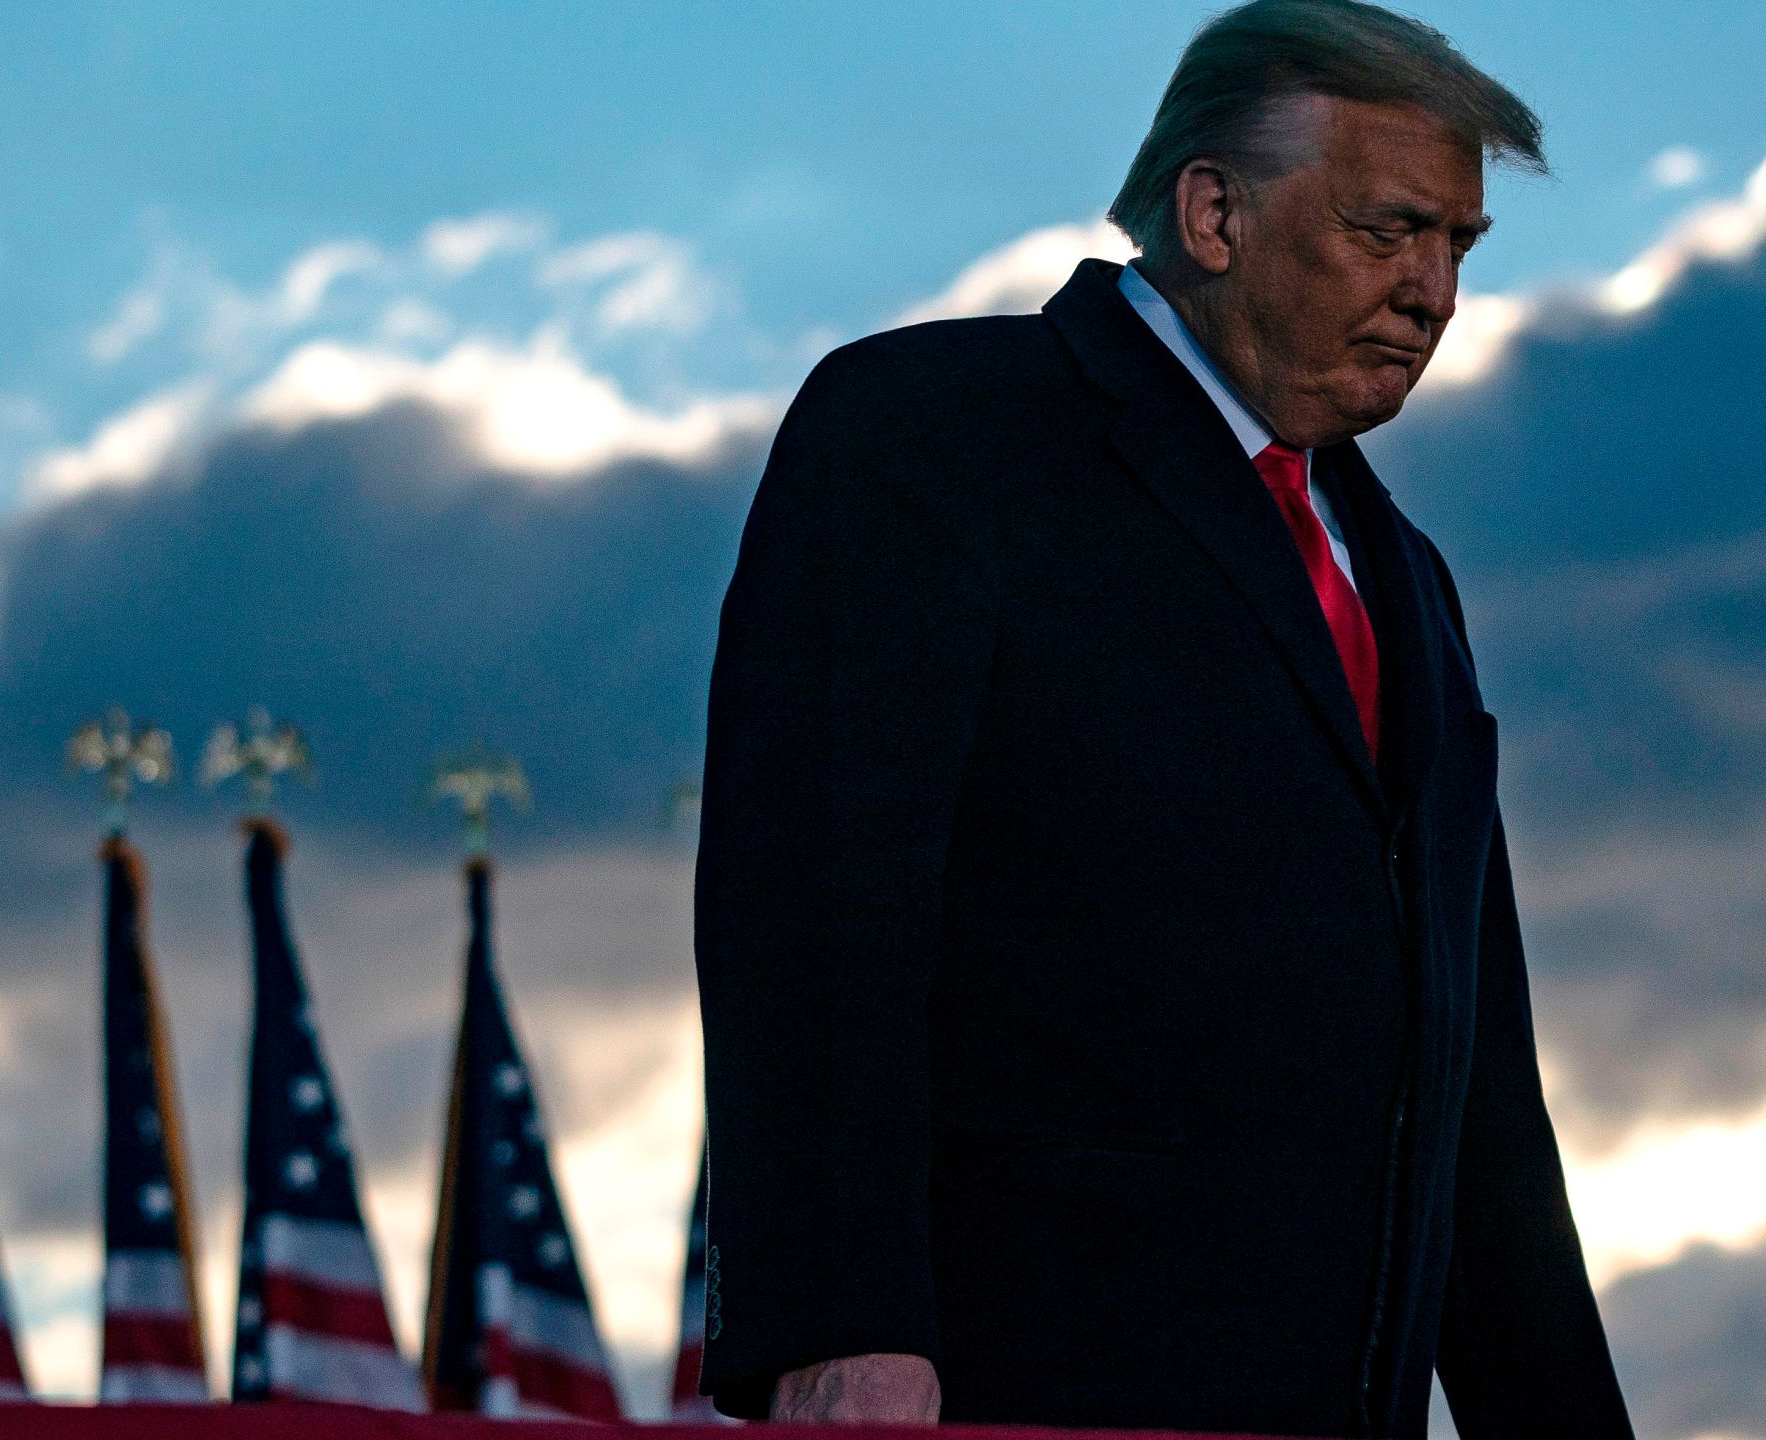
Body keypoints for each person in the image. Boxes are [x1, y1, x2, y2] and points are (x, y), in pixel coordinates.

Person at [692, 2, 1635, 1434]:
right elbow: (819, 918)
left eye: (1459, 245)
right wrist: (843, 1328)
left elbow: (1477, 1094)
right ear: (1214, 212)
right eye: (1390, 231)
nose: (1434, 291)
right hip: (1003, 1394)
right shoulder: (927, 436)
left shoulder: (1411, 585)